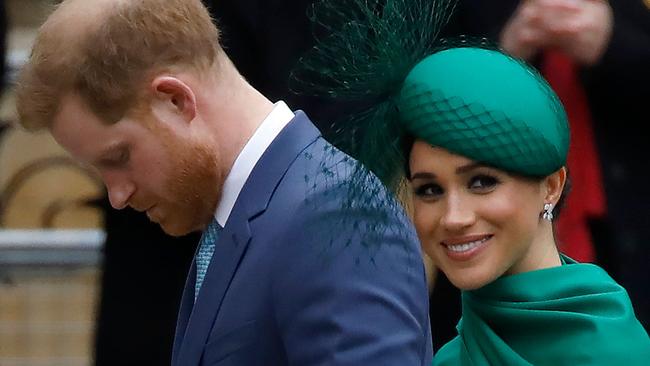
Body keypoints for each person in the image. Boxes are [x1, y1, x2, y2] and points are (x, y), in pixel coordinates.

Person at [14, 0, 433, 365]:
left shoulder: (334, 217)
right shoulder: (245, 213)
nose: (117, 196)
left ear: (175, 99)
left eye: (118, 157)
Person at [293, 0, 650, 363]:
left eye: (481, 182)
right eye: (429, 190)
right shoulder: (446, 357)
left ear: (552, 186)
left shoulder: (610, 351)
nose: (454, 217)